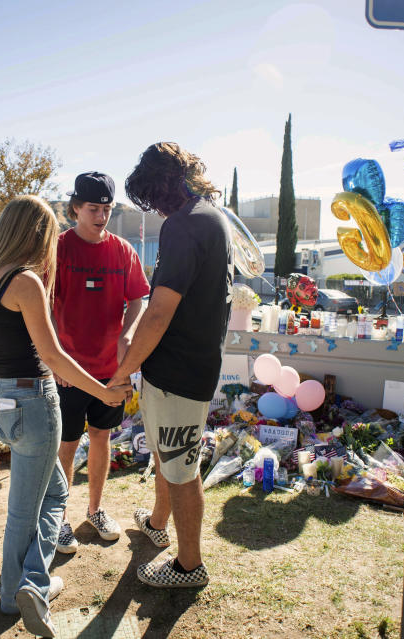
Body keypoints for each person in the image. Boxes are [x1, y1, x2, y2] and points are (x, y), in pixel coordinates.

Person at [0, 195, 130, 637]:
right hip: (33, 404)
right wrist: (104, 391)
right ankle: (28, 589)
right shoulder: (26, 282)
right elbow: (52, 355)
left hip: (1, 402)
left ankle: (21, 586)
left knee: (53, 496)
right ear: (35, 234)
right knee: (28, 510)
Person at [107, 142, 233, 589]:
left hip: (181, 371)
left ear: (164, 184)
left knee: (181, 469)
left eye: (154, 197)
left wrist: (122, 372)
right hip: (176, 368)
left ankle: (189, 565)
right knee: (165, 454)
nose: (156, 209)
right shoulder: (209, 217)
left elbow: (160, 311)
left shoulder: (186, 225)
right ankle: (158, 523)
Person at [52, 171, 150, 555]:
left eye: (106, 209)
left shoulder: (123, 251)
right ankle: (58, 520)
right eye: (93, 208)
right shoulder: (58, 249)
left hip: (111, 371)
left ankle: (95, 509)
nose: (100, 216)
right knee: (66, 445)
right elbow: (40, 303)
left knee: (101, 438)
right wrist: (53, 357)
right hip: (67, 370)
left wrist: (127, 335)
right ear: (76, 208)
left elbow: (138, 299)